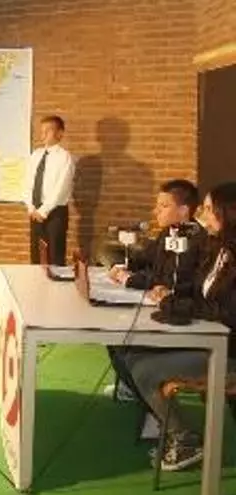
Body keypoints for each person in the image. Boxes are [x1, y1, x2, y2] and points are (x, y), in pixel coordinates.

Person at [126, 182, 236, 472]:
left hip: (228, 353)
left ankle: (185, 439)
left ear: (228, 214)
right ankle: (165, 423)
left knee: (144, 370)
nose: (203, 215)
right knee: (133, 353)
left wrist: (174, 304)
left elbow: (225, 312)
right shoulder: (216, 248)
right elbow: (198, 294)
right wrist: (170, 297)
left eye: (209, 210)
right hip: (206, 338)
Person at [103, 179, 205, 401]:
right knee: (113, 334)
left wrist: (130, 280)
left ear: (184, 210)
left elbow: (168, 280)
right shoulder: (168, 233)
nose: (156, 211)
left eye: (164, 206)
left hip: (182, 314)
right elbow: (147, 259)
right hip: (158, 303)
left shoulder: (197, 240)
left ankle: (143, 394)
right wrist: (123, 266)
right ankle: (133, 389)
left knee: (125, 339)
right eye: (157, 205)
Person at [23, 115, 74, 266]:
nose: (43, 134)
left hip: (54, 213)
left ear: (60, 133)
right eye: (42, 131)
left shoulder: (64, 157)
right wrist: (31, 207)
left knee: (54, 256)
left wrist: (44, 211)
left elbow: (61, 188)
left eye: (48, 131)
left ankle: (55, 281)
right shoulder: (36, 155)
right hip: (35, 212)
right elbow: (28, 182)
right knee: (37, 255)